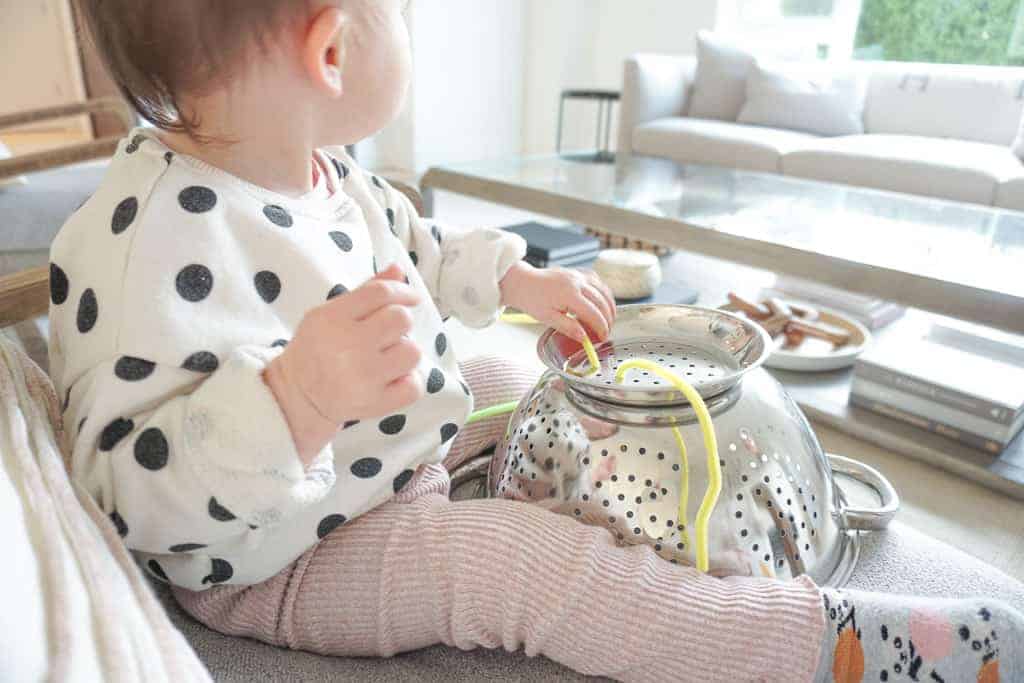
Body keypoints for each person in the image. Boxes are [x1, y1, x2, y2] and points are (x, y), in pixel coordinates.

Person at [53, 1, 1020, 680]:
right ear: (333, 52)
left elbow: (419, 242)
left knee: (507, 370)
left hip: (388, 450)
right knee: (517, 569)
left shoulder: (317, 165)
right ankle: (827, 645)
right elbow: (130, 495)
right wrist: (294, 403)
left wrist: (515, 279)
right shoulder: (149, 239)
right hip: (287, 558)